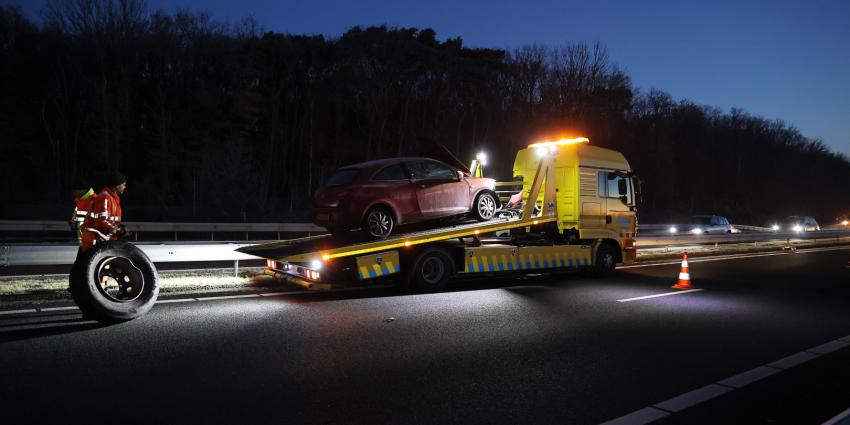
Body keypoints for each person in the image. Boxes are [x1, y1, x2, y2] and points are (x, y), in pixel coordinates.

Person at [80, 172, 128, 252]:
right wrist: (119, 230)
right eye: (123, 184)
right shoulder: (105, 197)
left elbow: (110, 220)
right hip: (95, 242)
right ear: (117, 185)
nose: (125, 187)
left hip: (102, 242)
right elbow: (102, 222)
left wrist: (120, 228)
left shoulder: (113, 199)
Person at [70, 180, 96, 245]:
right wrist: (74, 222)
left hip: (92, 240)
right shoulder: (80, 201)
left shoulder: (94, 200)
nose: (73, 194)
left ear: (82, 190)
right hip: (84, 240)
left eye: (74, 191)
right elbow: (77, 215)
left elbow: (96, 219)